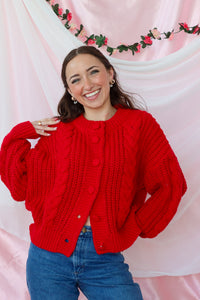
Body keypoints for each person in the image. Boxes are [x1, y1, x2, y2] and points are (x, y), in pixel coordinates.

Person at [0, 46, 187, 300]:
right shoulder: (60, 132)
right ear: (70, 91)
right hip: (47, 258)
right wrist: (21, 132)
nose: (87, 84)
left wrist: (134, 225)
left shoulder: (139, 126)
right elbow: (20, 185)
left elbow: (171, 184)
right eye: (76, 80)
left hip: (104, 259)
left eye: (93, 72)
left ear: (110, 74)